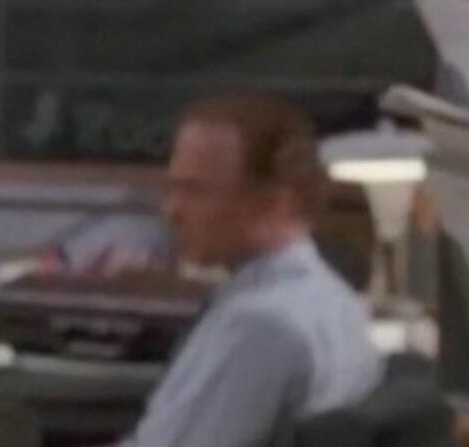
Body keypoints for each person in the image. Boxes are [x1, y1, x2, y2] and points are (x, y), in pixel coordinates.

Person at [112, 95, 384, 447]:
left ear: (273, 203)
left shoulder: (258, 326)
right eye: (173, 188)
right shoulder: (337, 302)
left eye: (195, 191)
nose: (171, 211)